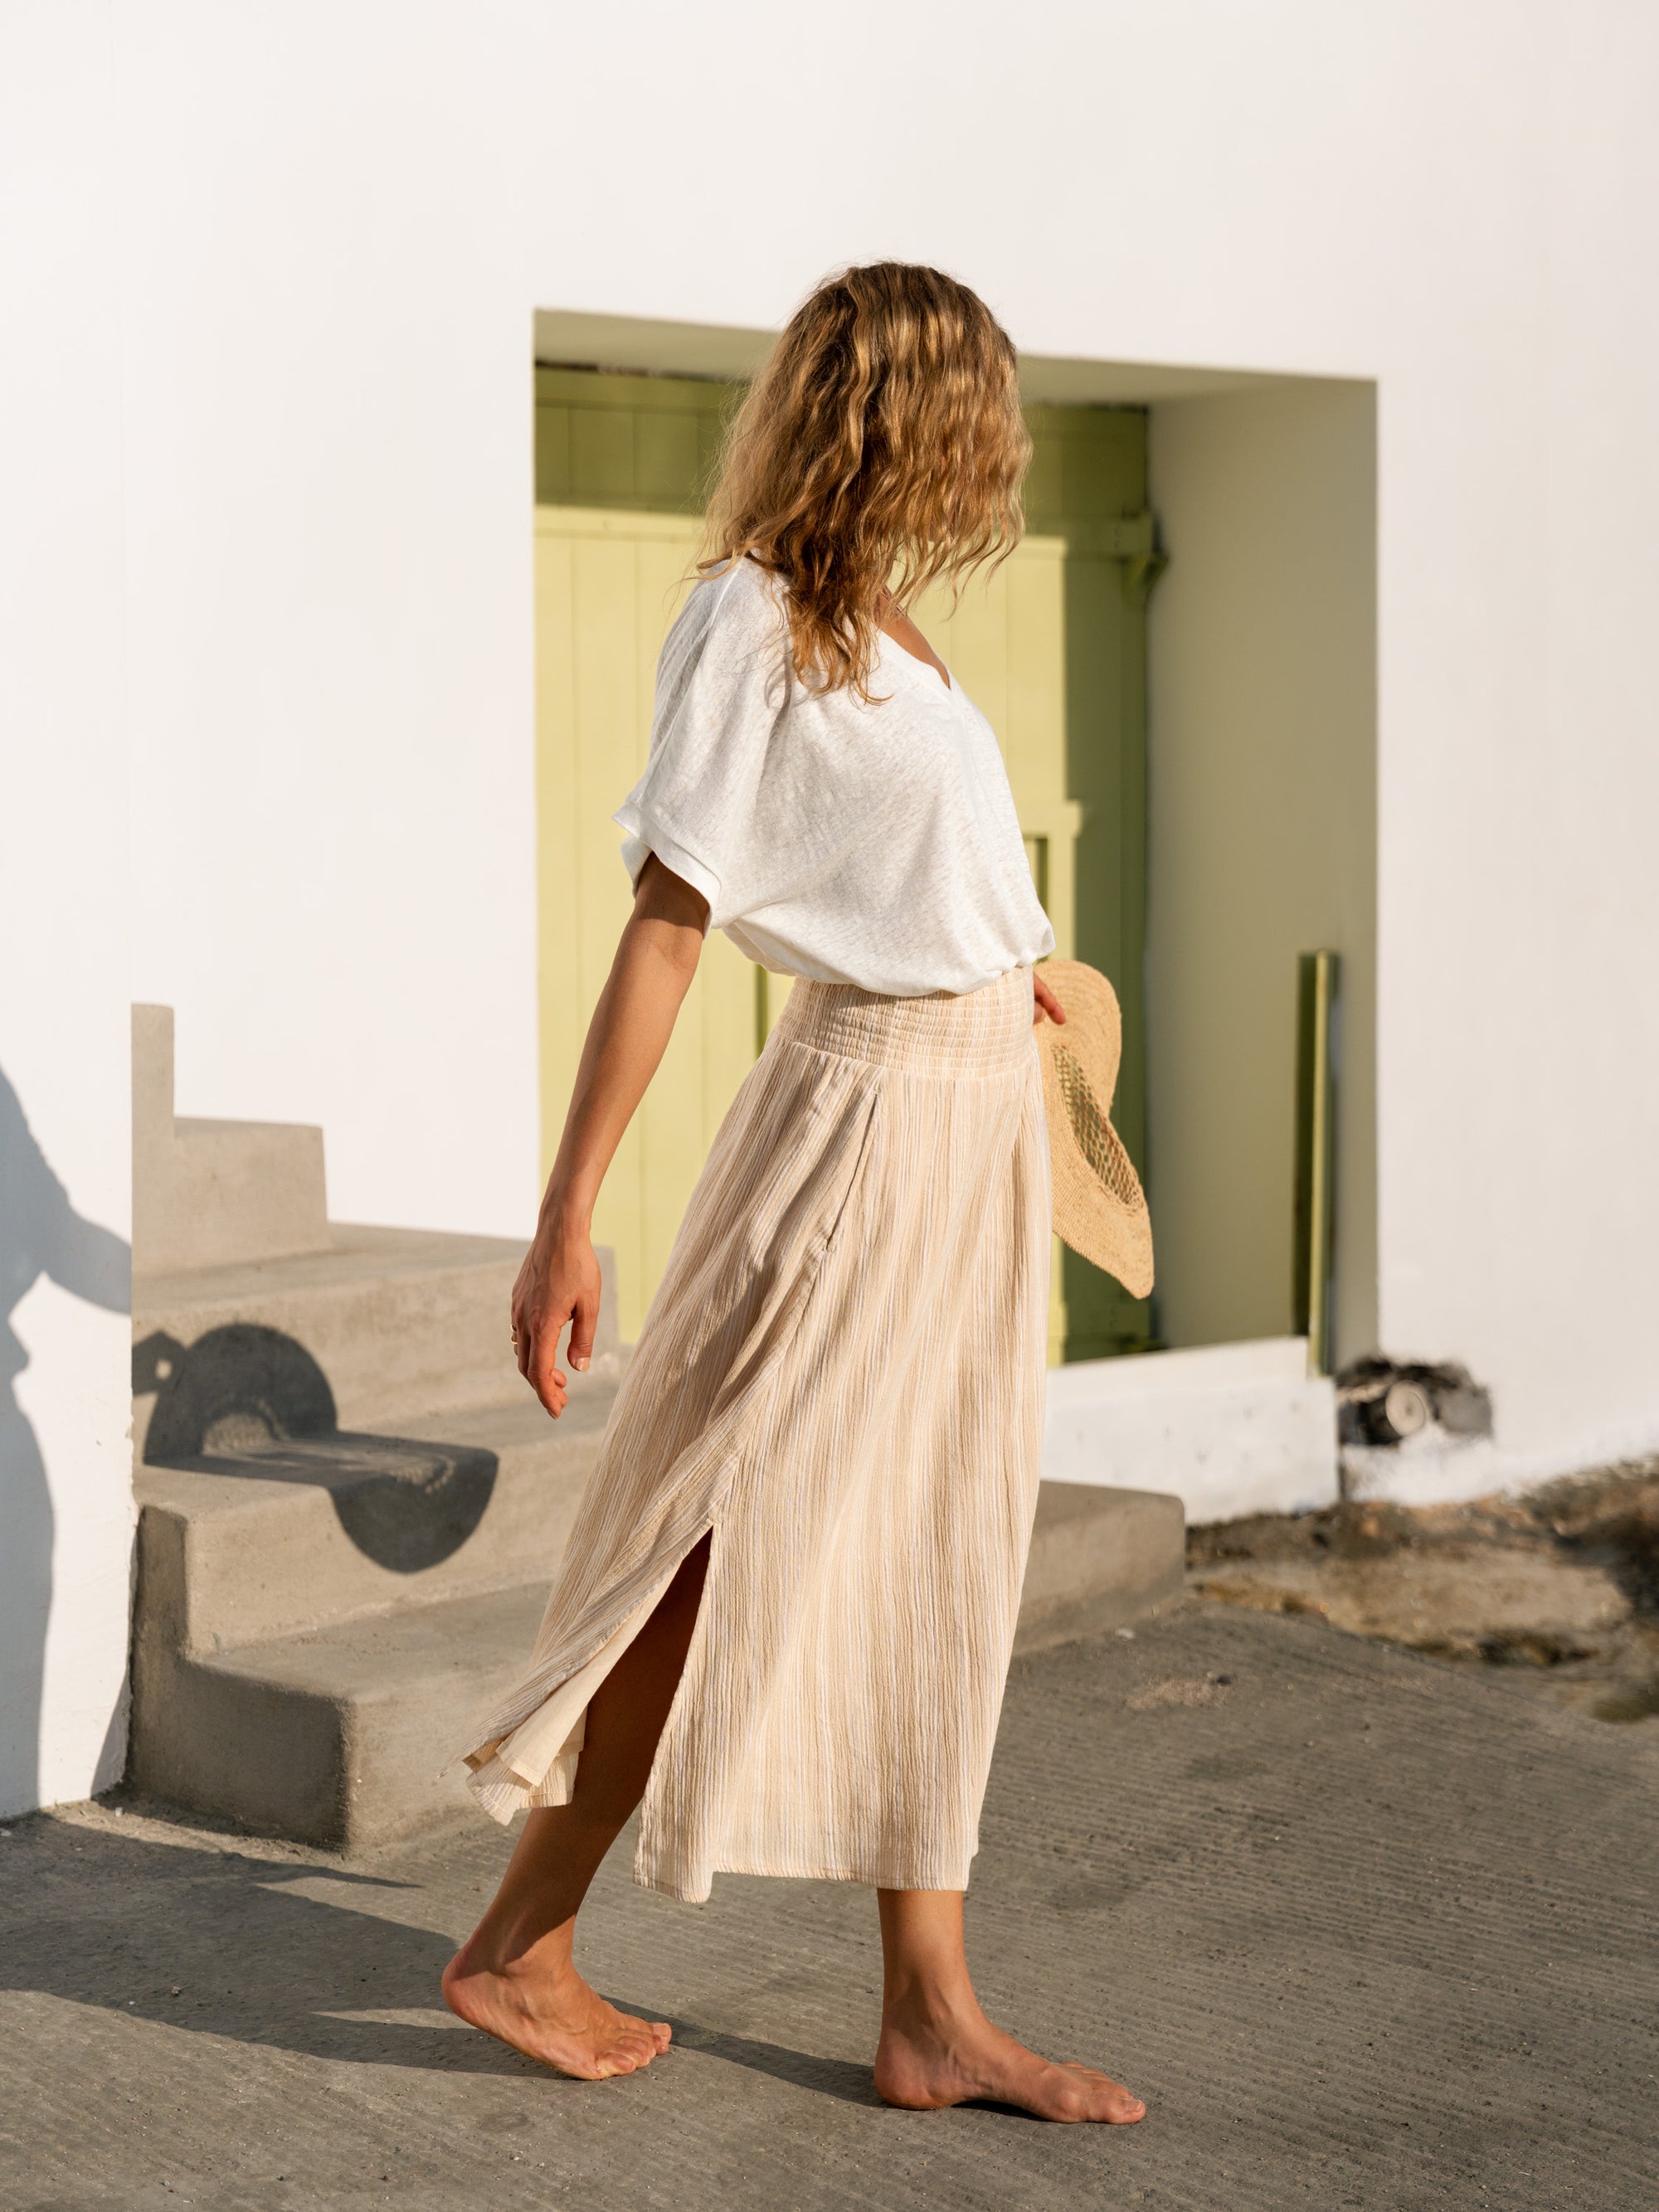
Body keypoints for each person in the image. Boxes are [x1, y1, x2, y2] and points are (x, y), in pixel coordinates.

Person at [441, 262, 1146, 2126]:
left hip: (974, 1126)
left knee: (942, 1548)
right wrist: (567, 1212)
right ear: (902, 412)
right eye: (978, 414)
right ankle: (518, 1937)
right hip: (862, 1126)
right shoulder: (753, 618)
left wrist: (1020, 987)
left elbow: (912, 878)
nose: (998, 454)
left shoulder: (882, 621)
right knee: (713, 1533)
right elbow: (670, 923)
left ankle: (931, 2010)